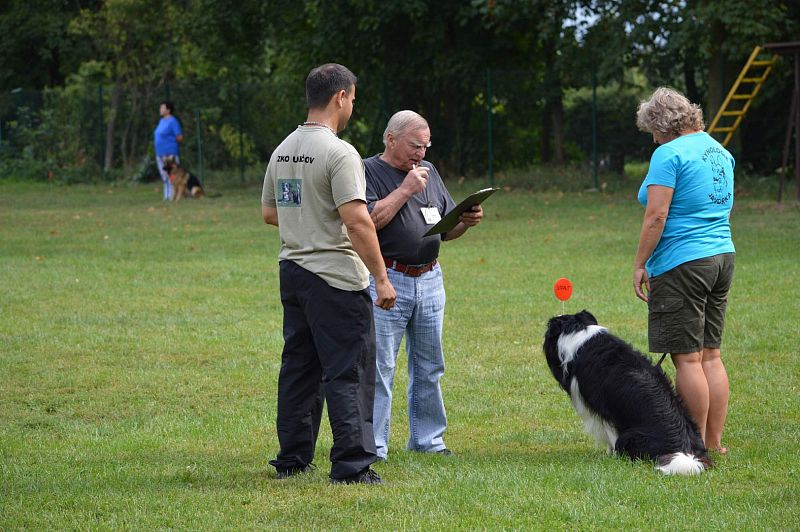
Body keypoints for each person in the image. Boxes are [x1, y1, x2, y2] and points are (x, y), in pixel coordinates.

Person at [261, 63, 397, 485]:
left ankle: (293, 459)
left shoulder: (283, 149)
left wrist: (305, 221)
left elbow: (270, 213)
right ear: (340, 96)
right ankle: (353, 465)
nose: (353, 106)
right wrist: (381, 277)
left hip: (294, 271)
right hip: (336, 278)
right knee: (348, 370)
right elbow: (357, 221)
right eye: (353, 98)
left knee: (299, 368)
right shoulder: (340, 152)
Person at [364, 110, 483, 460]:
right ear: (391, 139)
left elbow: (446, 231)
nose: (421, 153)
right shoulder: (368, 171)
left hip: (430, 278)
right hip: (388, 278)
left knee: (430, 364)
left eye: (426, 146)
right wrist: (405, 189)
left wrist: (466, 221)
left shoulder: (429, 174)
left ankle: (428, 441)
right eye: (416, 145)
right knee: (381, 367)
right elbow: (368, 220)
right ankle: (375, 446)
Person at [633, 87, 735, 455]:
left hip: (683, 262)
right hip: (722, 256)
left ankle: (690, 446)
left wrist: (641, 263)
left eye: (653, 132)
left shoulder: (668, 153)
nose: (653, 139)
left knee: (687, 358)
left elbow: (656, 215)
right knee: (711, 354)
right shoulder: (719, 151)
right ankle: (713, 442)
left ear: (663, 127)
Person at [154, 101, 184, 201]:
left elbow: (179, 137)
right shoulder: (161, 121)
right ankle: (166, 196)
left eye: (162, 108)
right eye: (160, 108)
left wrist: (171, 144)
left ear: (168, 110)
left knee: (173, 174)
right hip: (160, 152)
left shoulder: (173, 121)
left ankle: (174, 196)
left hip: (169, 153)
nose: (160, 110)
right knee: (164, 174)